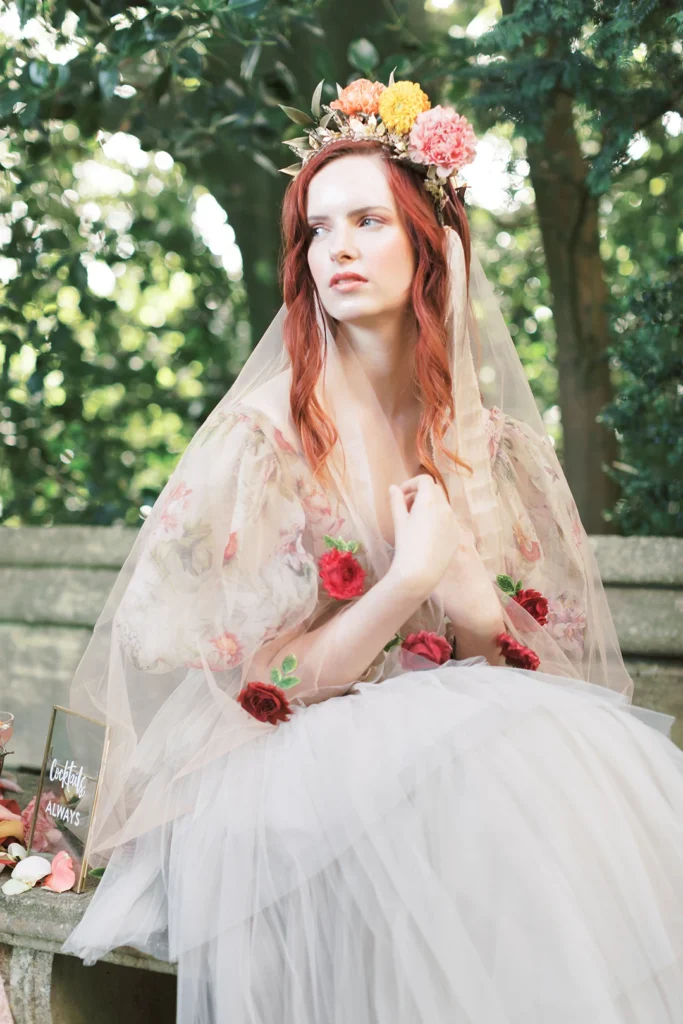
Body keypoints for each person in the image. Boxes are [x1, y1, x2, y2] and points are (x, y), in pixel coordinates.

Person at [62, 77, 683, 1022]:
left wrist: (473, 607)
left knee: (549, 764)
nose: (336, 249)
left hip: (443, 767)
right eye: (317, 228)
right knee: (478, 783)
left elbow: (531, 672)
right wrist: (405, 584)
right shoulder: (267, 440)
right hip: (265, 771)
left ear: (430, 245)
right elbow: (267, 691)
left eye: (368, 222)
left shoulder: (498, 452)